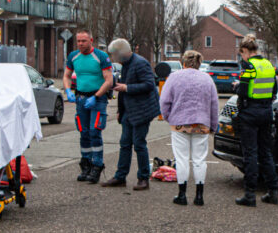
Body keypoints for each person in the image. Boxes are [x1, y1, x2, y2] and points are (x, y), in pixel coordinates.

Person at [160, 50, 219, 206]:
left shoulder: (174, 77)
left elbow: (164, 100)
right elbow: (214, 104)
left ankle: (182, 195)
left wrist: (168, 117)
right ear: (199, 63)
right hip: (202, 123)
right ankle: (199, 196)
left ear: (183, 62)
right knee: (200, 159)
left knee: (182, 159)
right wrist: (213, 125)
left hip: (180, 123)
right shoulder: (207, 79)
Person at [101, 39, 159, 190]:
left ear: (121, 54)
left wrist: (127, 87)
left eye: (114, 55)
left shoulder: (140, 63)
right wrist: (120, 110)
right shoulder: (126, 64)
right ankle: (120, 176)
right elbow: (122, 92)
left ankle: (143, 178)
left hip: (142, 110)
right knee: (125, 144)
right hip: (128, 110)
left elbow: (149, 85)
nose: (113, 59)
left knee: (139, 144)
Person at [62, 30, 113, 183]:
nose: (80, 44)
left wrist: (96, 96)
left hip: (97, 99)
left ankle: (97, 165)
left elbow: (109, 80)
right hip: (81, 98)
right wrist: (68, 91)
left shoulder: (101, 56)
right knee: (83, 132)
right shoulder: (73, 56)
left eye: (84, 41)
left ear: (91, 40)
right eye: (78, 41)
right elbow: (66, 75)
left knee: (94, 131)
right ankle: (86, 164)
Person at [233, 35, 278, 207]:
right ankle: (273, 192)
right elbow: (274, 89)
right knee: (266, 152)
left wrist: (237, 86)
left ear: (245, 51)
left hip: (250, 113)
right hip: (266, 112)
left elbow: (243, 91)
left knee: (250, 153)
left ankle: (250, 195)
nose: (242, 58)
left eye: (241, 54)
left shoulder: (249, 66)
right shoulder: (268, 65)